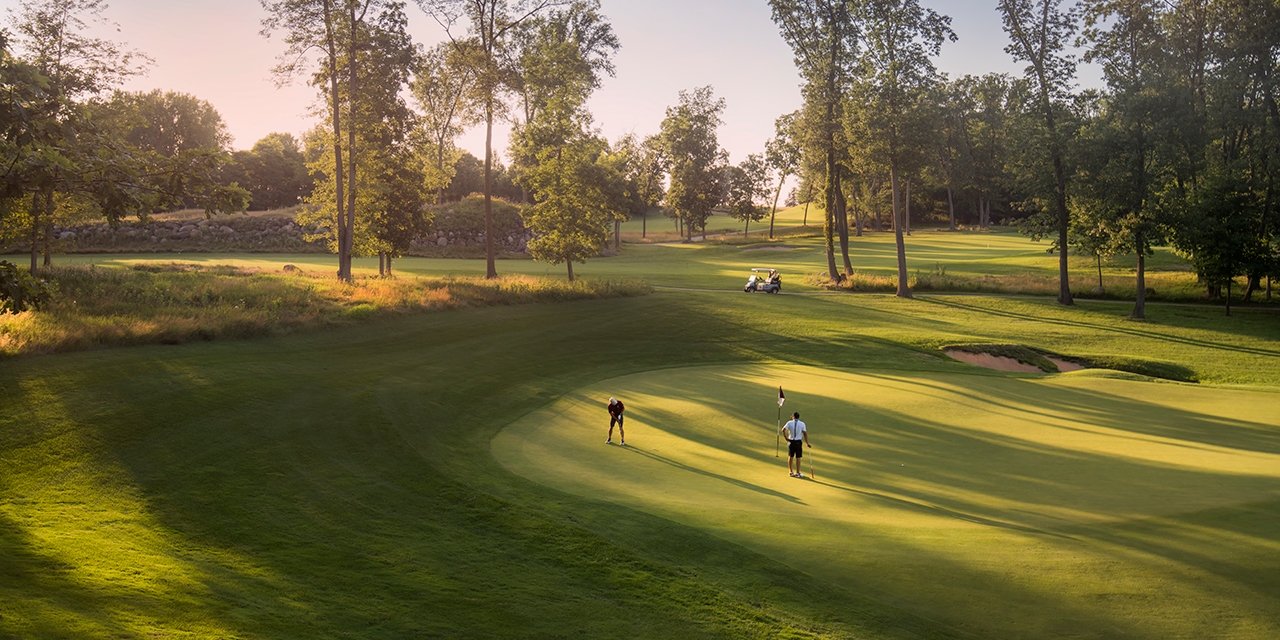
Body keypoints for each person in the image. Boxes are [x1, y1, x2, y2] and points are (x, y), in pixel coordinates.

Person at [780, 411, 810, 477]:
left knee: (791, 456)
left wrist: (786, 438)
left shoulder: (789, 423)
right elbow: (805, 433)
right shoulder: (802, 424)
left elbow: (783, 430)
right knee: (798, 457)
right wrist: (807, 443)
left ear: (793, 417)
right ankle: (798, 473)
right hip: (798, 442)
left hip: (791, 441)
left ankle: (791, 471)